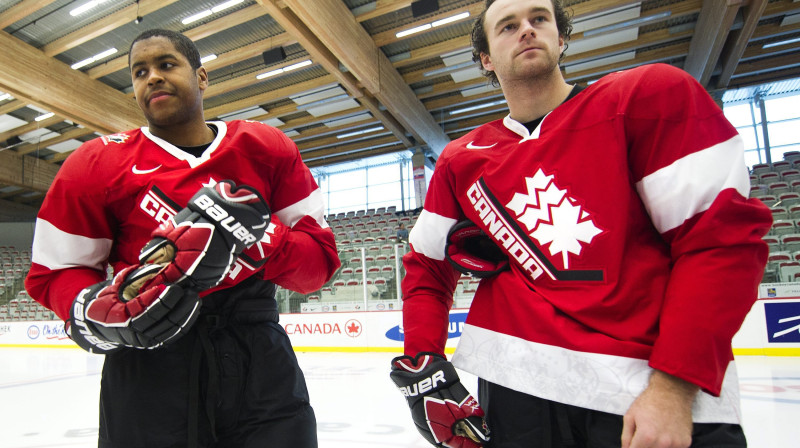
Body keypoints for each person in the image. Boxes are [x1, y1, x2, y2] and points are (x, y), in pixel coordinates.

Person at [390, 1, 772, 447]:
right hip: (517, 392)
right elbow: (426, 269)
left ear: (562, 36)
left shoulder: (647, 95)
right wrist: (425, 370)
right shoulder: (460, 160)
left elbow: (719, 241)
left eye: (539, 19)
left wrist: (674, 387)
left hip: (649, 392)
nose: (526, 31)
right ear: (486, 59)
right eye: (508, 26)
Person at [25, 29, 339, 448]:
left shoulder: (267, 146)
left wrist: (258, 233)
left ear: (202, 77)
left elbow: (317, 267)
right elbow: (54, 273)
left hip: (258, 359)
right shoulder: (95, 163)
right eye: (140, 72)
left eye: (166, 64)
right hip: (147, 365)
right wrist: (93, 310)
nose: (152, 77)